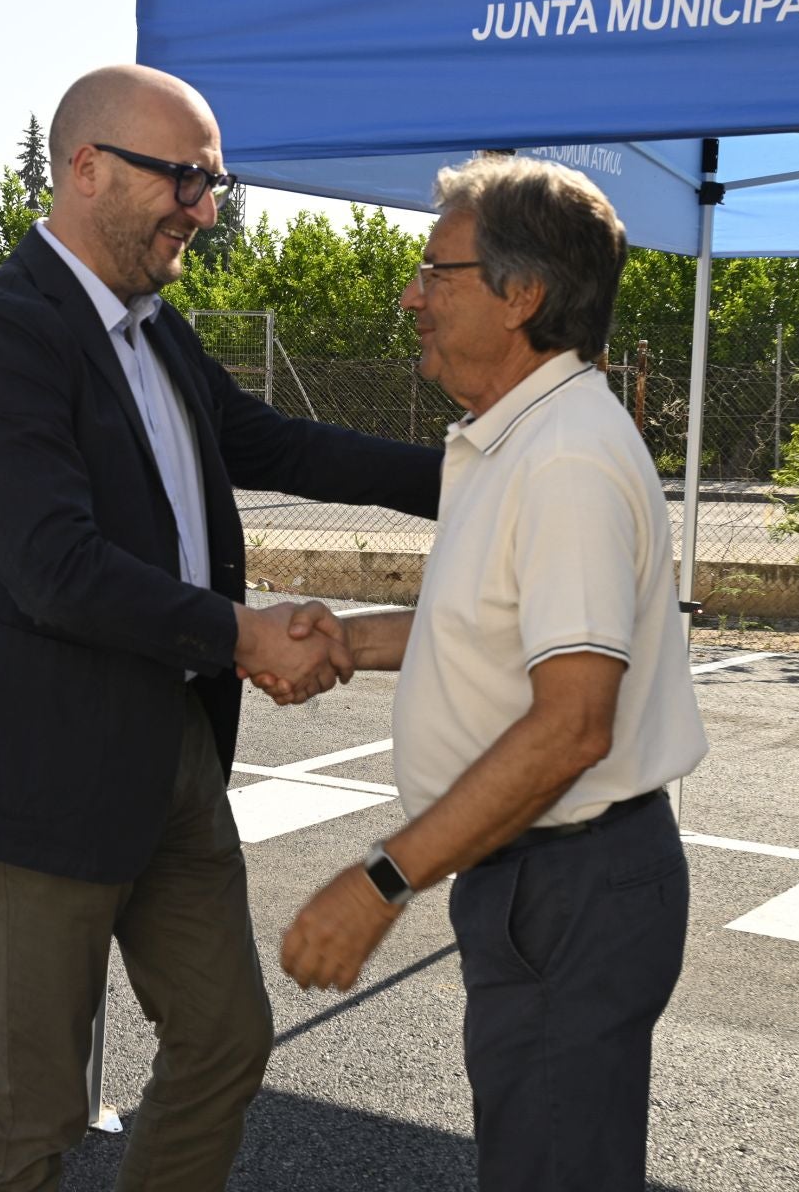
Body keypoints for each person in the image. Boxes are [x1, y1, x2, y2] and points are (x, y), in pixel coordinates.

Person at [0, 63, 440, 1192]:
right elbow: (55, 568)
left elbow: (280, 445)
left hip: (174, 758)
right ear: (87, 167)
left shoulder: (154, 330)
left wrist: (475, 475)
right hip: (46, 778)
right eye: (187, 179)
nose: (206, 209)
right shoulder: (2, 332)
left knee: (225, 1040)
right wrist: (244, 635)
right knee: (35, 1103)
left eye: (214, 183)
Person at [272, 155, 708, 1191]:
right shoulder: (522, 438)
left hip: (570, 884)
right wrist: (349, 641)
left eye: (437, 271)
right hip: (544, 882)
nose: (411, 295)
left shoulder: (562, 459)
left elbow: (572, 724)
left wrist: (381, 880)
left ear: (522, 296)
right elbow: (497, 631)